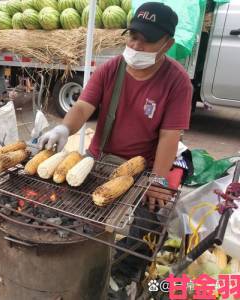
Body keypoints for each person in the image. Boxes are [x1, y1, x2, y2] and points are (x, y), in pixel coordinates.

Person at [39, 2, 192, 297]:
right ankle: (74, 260)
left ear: (167, 44)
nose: (135, 45)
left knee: (150, 221)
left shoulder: (177, 82)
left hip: (142, 166)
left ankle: (120, 275)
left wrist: (158, 181)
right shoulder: (112, 68)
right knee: (71, 206)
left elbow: (169, 137)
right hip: (100, 157)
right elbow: (83, 105)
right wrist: (62, 128)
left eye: (146, 39)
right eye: (132, 35)